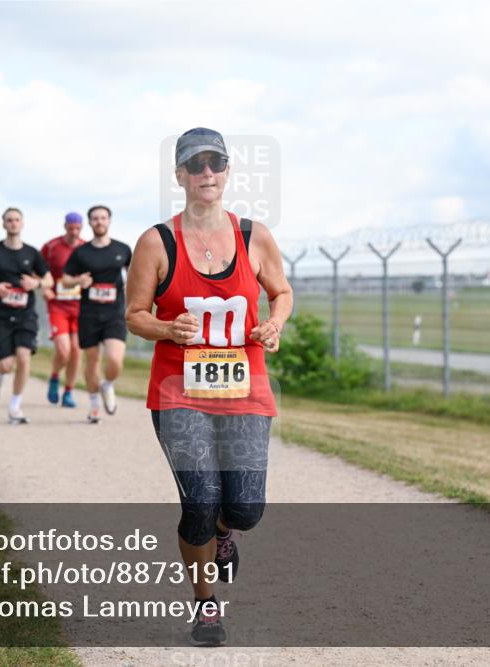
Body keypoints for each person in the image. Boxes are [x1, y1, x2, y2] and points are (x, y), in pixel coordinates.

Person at [125, 127, 292, 647]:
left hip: (244, 389)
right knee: (199, 500)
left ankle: (225, 536)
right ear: (179, 176)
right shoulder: (157, 242)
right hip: (179, 390)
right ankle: (205, 605)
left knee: (244, 508)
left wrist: (274, 324)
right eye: (194, 166)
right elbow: (134, 315)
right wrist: (166, 328)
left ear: (226, 172)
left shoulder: (253, 235)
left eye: (215, 164)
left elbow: (281, 292)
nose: (206, 174)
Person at [0, 207, 52, 424]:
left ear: (22, 223)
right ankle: (0, 374)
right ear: (3, 223)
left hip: (25, 315)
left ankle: (15, 407)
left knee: (24, 357)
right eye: (9, 220)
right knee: (7, 364)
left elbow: (49, 280)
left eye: (17, 220)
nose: (13, 223)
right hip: (0, 315)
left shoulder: (31, 253)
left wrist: (35, 283)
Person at [61, 205, 132, 423]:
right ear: (89, 223)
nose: (99, 222)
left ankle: (108, 385)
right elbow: (65, 280)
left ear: (109, 221)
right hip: (89, 314)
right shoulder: (81, 253)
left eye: (103, 218)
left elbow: (135, 276)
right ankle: (93, 406)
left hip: (114, 313)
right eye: (95, 218)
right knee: (91, 362)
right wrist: (78, 281)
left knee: (114, 360)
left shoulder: (123, 249)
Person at [40, 211, 86, 407]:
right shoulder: (51, 247)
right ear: (65, 226)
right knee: (64, 349)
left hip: (81, 307)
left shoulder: (86, 248)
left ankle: (68, 391)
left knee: (76, 351)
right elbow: (39, 270)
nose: (74, 232)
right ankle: (54, 377)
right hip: (58, 305)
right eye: (71, 228)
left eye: (78, 228)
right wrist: (44, 287)